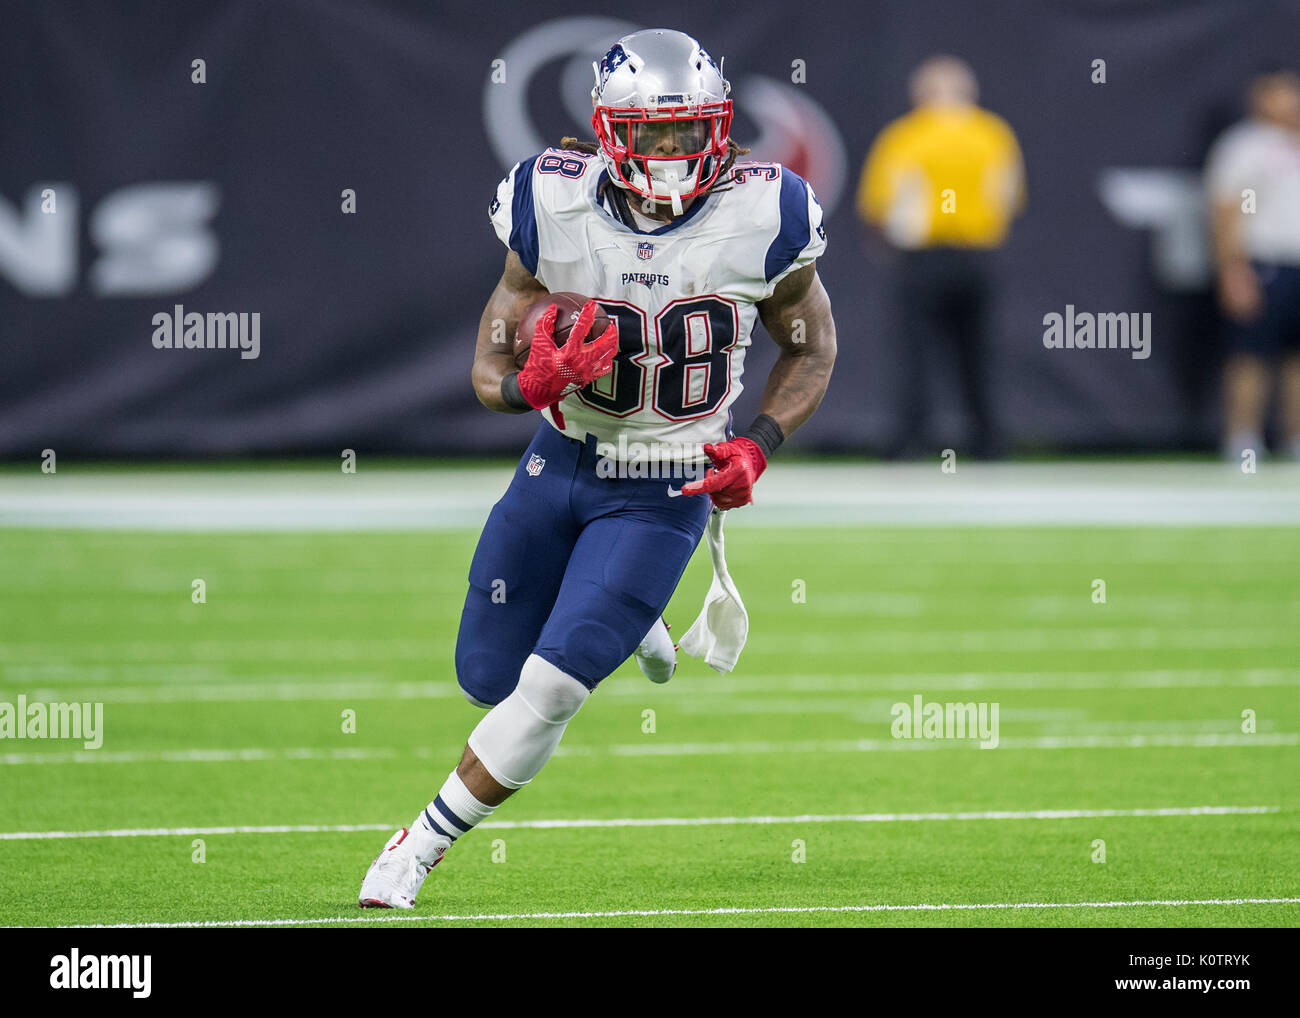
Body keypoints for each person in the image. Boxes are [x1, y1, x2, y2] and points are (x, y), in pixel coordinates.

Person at [357, 28, 837, 908]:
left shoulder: (768, 211)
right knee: (486, 678)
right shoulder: (553, 199)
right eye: (652, 134)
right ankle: (635, 617)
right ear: (609, 131)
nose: (673, 152)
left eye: (690, 130)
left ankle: (415, 848)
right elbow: (486, 371)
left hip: (669, 480)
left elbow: (811, 347)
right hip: (562, 458)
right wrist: (524, 385)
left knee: (547, 691)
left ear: (721, 125)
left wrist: (758, 442)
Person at [857, 55, 1024, 459]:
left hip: (923, 257)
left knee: (916, 354)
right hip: (976, 256)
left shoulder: (905, 137)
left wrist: (888, 250)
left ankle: (911, 441)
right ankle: (987, 442)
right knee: (978, 353)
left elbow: (878, 205)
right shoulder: (993, 134)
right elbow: (1010, 197)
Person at [1205, 68, 1300, 462]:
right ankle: (1242, 439)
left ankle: (1296, 440)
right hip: (1263, 262)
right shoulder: (1245, 146)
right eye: (1278, 92)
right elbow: (1227, 210)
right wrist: (1233, 267)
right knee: (1251, 355)